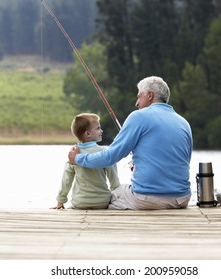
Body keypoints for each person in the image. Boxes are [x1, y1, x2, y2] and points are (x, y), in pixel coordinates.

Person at [68, 76, 193, 210]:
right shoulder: (184, 123)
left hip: (147, 198)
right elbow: (182, 160)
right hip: (181, 198)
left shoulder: (138, 116)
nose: (136, 103)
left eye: (139, 97)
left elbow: (110, 157)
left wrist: (78, 158)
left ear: (150, 96)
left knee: (110, 197)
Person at [52, 113, 120, 209]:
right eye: (98, 128)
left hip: (80, 202)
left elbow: (66, 180)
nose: (102, 130)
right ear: (88, 134)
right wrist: (117, 199)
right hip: (102, 202)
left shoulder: (73, 154)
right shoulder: (105, 153)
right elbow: (114, 179)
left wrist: (60, 201)